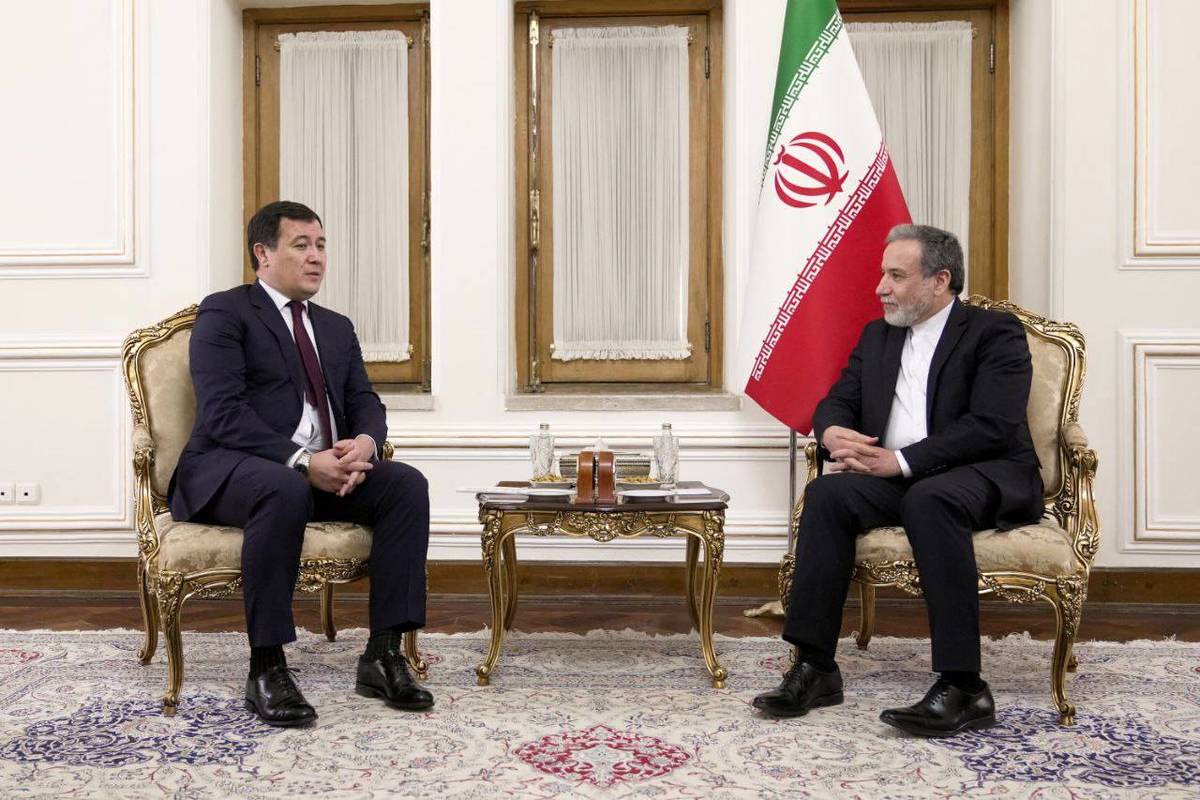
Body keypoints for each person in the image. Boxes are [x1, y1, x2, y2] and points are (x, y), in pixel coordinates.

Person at [752, 224, 1043, 737]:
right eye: (882, 275)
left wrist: (902, 461)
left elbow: (991, 426)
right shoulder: (878, 336)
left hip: (981, 473)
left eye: (896, 276)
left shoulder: (994, 332)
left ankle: (965, 687)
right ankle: (816, 667)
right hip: (901, 477)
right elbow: (838, 399)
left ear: (940, 280)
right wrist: (831, 431)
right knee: (827, 494)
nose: (880, 287)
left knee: (931, 498)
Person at [169, 201, 433, 727]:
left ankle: (383, 656)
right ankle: (266, 668)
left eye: (321, 245)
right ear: (262, 254)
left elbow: (364, 400)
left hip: (318, 471)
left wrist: (364, 444)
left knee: (406, 484)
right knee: (283, 486)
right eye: (301, 245)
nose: (316, 257)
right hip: (231, 469)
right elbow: (223, 414)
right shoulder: (226, 312)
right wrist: (303, 461)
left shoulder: (335, 327)